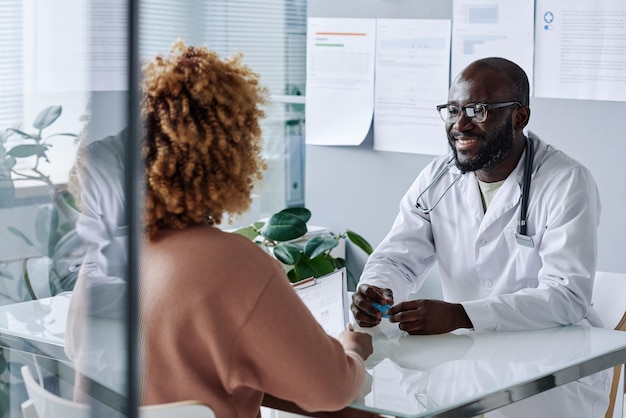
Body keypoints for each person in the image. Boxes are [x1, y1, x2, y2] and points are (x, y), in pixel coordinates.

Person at [350, 57, 610, 417]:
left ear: (519, 116)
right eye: (453, 109)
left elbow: (567, 296)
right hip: (462, 363)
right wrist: (377, 288)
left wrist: (461, 315)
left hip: (548, 374)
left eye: (478, 109)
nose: (461, 124)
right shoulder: (437, 177)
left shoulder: (566, 181)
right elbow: (397, 256)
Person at [138, 40, 373, 418]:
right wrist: (352, 351)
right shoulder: (232, 263)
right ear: (234, 148)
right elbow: (331, 391)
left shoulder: (107, 255)